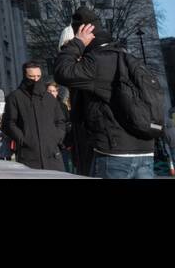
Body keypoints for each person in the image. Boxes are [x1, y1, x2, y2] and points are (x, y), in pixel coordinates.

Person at [53, 17, 157, 178]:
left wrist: (76, 44)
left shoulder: (94, 64)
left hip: (114, 150)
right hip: (143, 148)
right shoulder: (127, 58)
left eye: (67, 47)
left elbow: (62, 71)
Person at [1, 62, 67, 171]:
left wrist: (56, 137)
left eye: (38, 76)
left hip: (52, 154)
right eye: (31, 76)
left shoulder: (49, 98)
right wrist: (23, 139)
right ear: (25, 76)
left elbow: (60, 121)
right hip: (28, 155)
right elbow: (9, 123)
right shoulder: (15, 97)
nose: (35, 80)